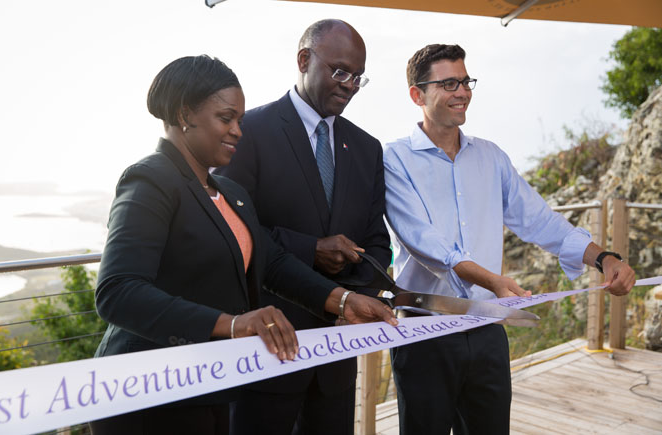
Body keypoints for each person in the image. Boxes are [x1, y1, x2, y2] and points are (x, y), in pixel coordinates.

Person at [89, 55, 396, 435]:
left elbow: (274, 264)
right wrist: (232, 325)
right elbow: (118, 292)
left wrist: (344, 301)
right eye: (226, 118)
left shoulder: (229, 192)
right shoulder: (150, 180)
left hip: (212, 385)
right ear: (186, 115)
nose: (238, 130)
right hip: (149, 392)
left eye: (239, 119)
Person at [383, 44, 637, 435]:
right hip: (424, 332)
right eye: (449, 83)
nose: (463, 91)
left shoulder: (491, 157)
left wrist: (604, 257)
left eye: (466, 81)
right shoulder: (394, 159)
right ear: (417, 94)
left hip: (487, 329)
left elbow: (540, 221)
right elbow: (424, 242)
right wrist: (493, 281)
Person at [215, 19, 391, 435]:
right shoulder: (247, 133)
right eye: (340, 71)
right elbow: (234, 233)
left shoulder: (367, 148)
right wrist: (309, 249)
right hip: (266, 355)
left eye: (358, 78)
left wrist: (355, 298)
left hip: (338, 358)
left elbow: (378, 242)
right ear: (303, 59)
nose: (349, 85)